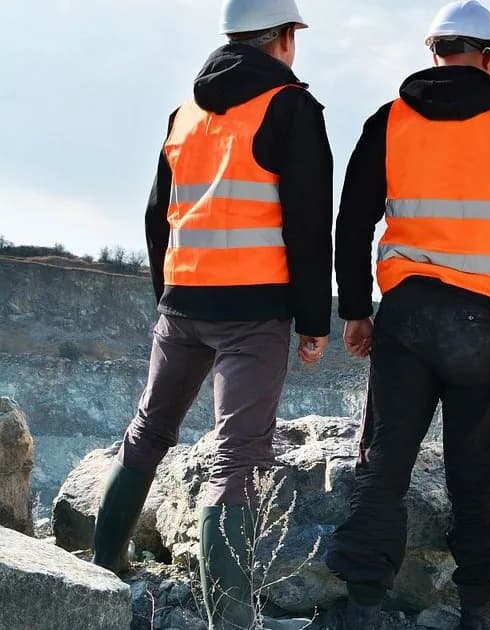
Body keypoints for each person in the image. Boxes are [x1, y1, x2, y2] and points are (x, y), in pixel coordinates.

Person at [320, 1, 490, 628]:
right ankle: (478, 611)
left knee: (383, 465)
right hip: (478, 324)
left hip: (403, 315)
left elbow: (351, 223)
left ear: (434, 51)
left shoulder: (390, 121)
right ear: (489, 57)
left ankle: (363, 609)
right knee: (477, 473)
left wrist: (355, 309)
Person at [89, 1, 333, 628]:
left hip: (183, 304)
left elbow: (155, 216)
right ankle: (229, 620)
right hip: (253, 312)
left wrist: (167, 296)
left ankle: (100, 571)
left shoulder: (185, 113)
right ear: (283, 38)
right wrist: (313, 320)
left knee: (147, 431)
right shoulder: (292, 108)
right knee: (237, 457)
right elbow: (309, 225)